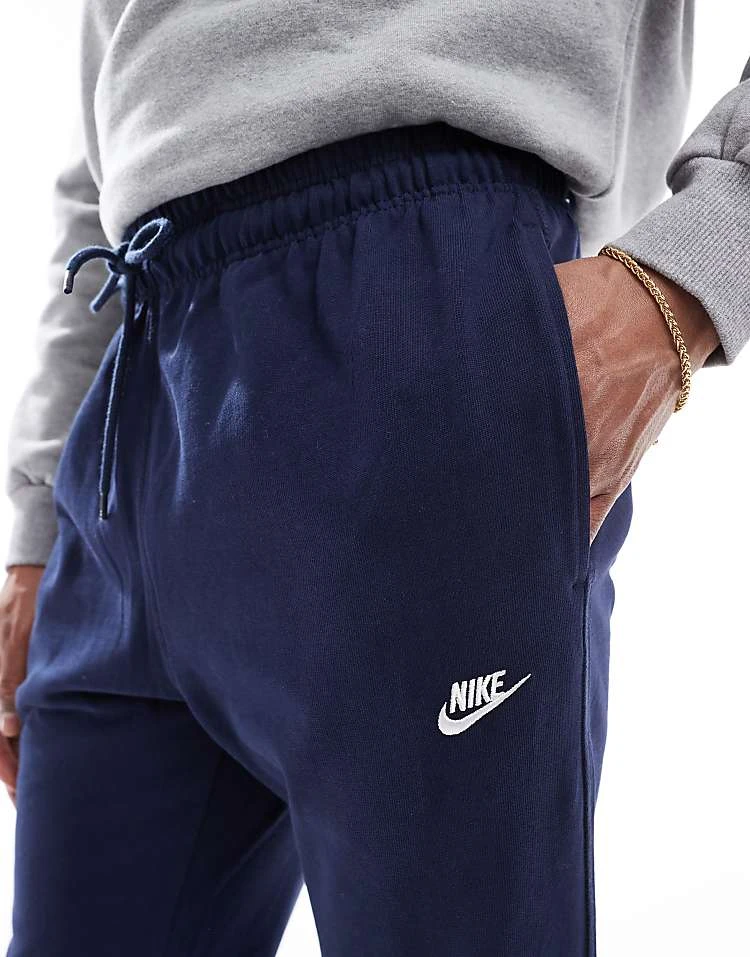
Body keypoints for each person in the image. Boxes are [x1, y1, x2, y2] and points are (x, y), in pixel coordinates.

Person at [0, 2, 747, 954]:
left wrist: (697, 262)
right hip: (135, 379)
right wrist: (36, 522)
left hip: (423, 297)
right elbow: (102, 117)